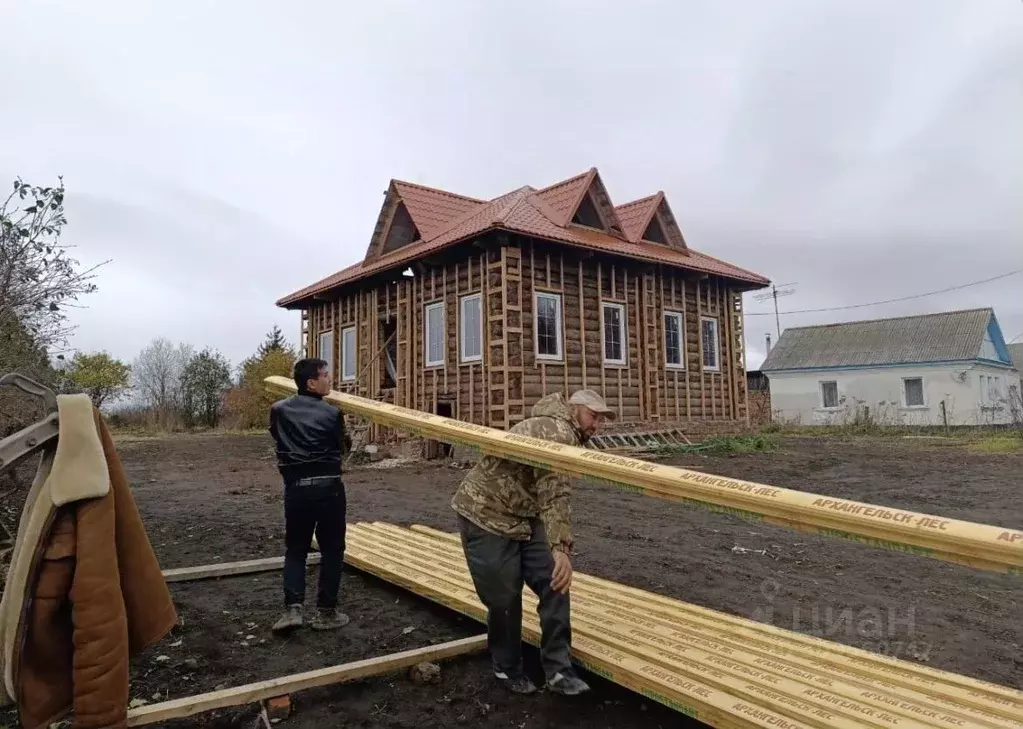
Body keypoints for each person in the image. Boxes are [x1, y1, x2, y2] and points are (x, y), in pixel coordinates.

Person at [450, 389, 614, 696]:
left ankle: (558, 670)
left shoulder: (565, 431)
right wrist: (562, 548)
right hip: (486, 513)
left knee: (555, 580)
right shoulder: (556, 433)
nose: (597, 426)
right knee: (504, 596)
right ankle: (506, 667)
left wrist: (557, 554)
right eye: (593, 416)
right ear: (574, 409)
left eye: (602, 420)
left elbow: (550, 492)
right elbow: (555, 494)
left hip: (525, 513)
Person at [268, 357, 352, 633]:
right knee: (332, 550)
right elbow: (343, 447)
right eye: (326, 375)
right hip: (329, 489)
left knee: (296, 549)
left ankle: (293, 609)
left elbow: (276, 437)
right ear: (311, 382)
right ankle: (326, 612)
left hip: (297, 490)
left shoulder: (278, 410)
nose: (331, 380)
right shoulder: (332, 413)